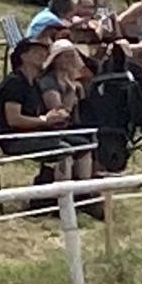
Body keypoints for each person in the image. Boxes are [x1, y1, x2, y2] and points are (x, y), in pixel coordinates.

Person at [38, 39, 92, 183]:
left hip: (71, 129)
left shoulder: (72, 80)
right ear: (55, 59)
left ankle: (86, 189)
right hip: (51, 129)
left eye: (72, 56)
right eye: (66, 56)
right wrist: (70, 93)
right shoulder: (49, 82)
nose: (71, 60)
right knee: (80, 146)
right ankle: (70, 189)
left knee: (92, 140)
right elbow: (58, 113)